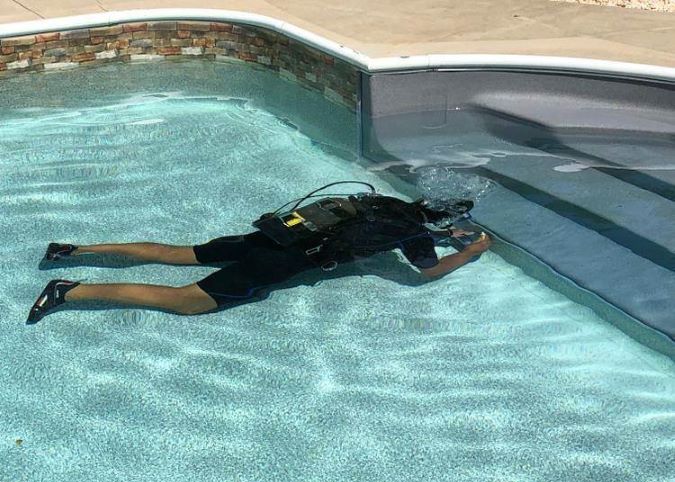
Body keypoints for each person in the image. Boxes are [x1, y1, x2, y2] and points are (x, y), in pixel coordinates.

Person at [26, 189, 492, 325]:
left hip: (262, 240)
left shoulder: (381, 203)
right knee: (184, 300)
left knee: (177, 253)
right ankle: (70, 291)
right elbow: (426, 272)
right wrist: (471, 250)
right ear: (435, 221)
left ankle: (73, 249)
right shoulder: (413, 234)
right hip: (275, 265)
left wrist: (438, 227)